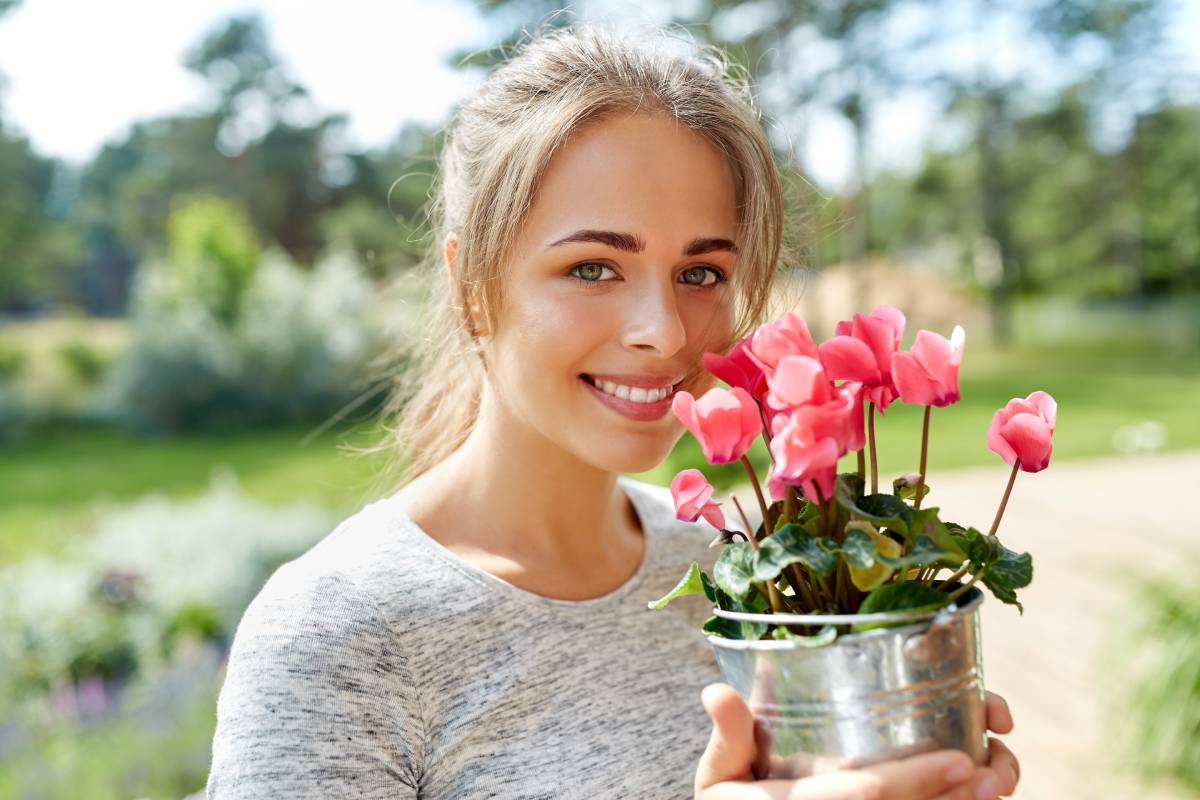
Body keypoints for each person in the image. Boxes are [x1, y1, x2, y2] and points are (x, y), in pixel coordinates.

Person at [205, 25, 1020, 800]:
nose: (664, 332)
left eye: (700, 273)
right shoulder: (340, 635)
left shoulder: (745, 572)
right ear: (469, 288)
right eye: (594, 268)